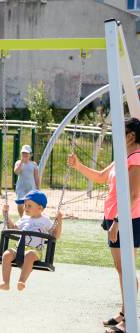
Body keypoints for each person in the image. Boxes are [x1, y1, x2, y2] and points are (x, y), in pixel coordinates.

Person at [68, 117, 140, 333]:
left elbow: (134, 193)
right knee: (121, 269)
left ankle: (130, 321)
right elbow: (100, 177)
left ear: (131, 136)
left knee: (126, 269)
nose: (114, 136)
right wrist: (78, 165)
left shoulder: (136, 157)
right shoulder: (121, 156)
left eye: (119, 131)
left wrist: (118, 221)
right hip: (115, 218)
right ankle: (125, 312)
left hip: (128, 219)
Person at [0, 190, 62, 291]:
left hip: (35, 251)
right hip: (20, 249)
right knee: (6, 254)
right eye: (25, 205)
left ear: (40, 208)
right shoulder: (24, 219)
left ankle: (21, 281)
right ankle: (5, 283)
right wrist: (5, 214)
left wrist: (59, 221)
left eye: (29, 205)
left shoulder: (45, 220)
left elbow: (55, 235)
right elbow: (13, 227)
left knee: (29, 255)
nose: (25, 208)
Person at [14, 145, 40, 217]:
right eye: (23, 153)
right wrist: (21, 163)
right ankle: (21, 217)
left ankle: (29, 218)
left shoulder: (33, 164)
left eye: (26, 153)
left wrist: (37, 187)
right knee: (20, 203)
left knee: (30, 204)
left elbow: (36, 177)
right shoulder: (18, 162)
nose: (24, 155)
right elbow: (16, 172)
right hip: (21, 188)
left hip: (31, 188)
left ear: (30, 155)